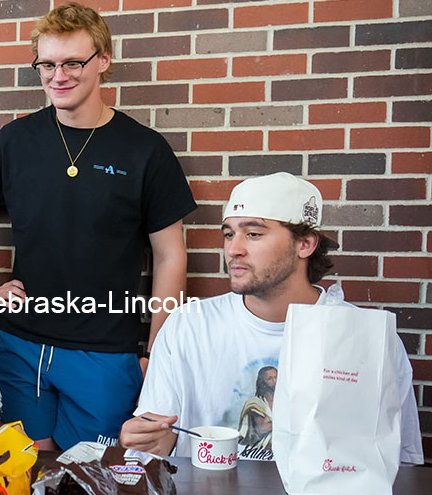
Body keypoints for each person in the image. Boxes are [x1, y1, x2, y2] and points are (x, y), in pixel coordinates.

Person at [0, 2, 196, 451]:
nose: (57, 76)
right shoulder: (16, 141)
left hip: (104, 353)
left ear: (103, 61)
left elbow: (170, 255)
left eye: (72, 63)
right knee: (24, 477)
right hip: (21, 346)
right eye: (47, 64)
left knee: (92, 479)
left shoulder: (145, 151)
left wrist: (156, 352)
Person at [118, 172, 424, 465]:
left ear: (305, 244)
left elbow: (402, 460)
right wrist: (154, 443)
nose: (233, 250)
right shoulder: (188, 326)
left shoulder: (365, 339)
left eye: (253, 234)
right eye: (229, 234)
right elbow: (152, 447)